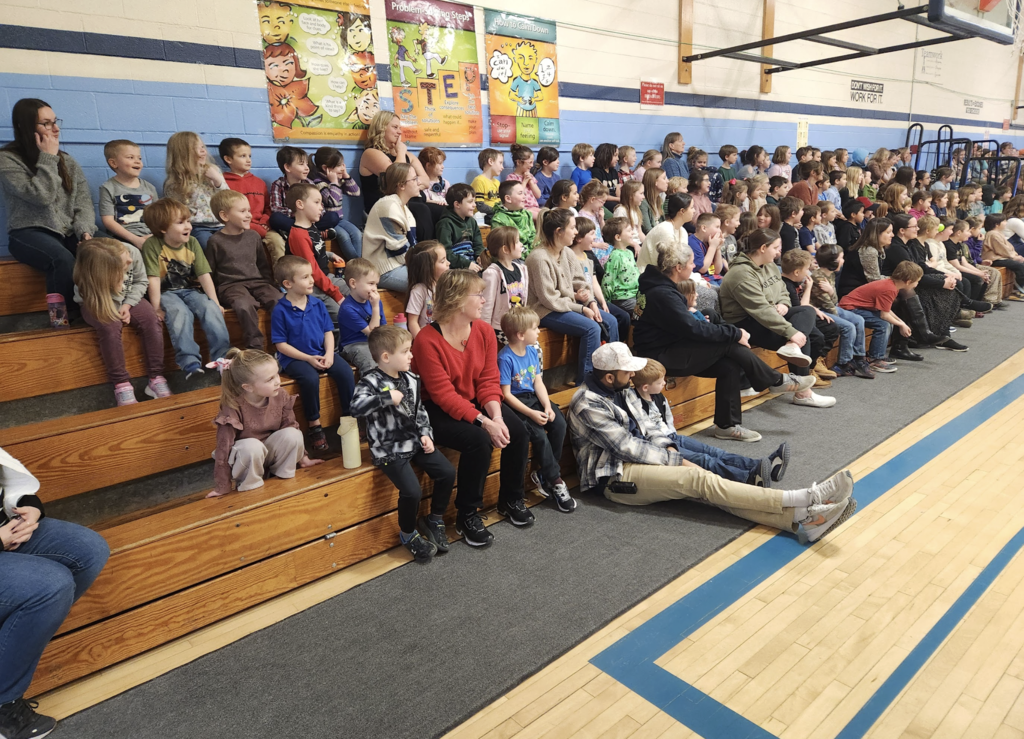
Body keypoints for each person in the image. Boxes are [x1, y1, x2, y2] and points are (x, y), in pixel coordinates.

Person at [567, 343, 856, 543]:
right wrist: (677, 460)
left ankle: (803, 520)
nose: (633, 375)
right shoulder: (588, 402)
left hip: (641, 458)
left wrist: (669, 447)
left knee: (707, 488)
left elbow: (646, 428)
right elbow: (626, 448)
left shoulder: (621, 388)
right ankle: (804, 498)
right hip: (615, 477)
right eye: (627, 371)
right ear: (608, 376)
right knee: (699, 479)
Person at [632, 239, 814, 442]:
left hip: (671, 346)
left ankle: (727, 426)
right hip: (659, 356)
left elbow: (685, 326)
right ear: (678, 268)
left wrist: (729, 331)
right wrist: (735, 333)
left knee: (728, 365)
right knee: (728, 343)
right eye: (691, 263)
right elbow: (693, 329)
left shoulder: (657, 284)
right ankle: (775, 380)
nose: (694, 267)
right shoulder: (662, 293)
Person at [411, 269, 533, 546]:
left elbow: (489, 380)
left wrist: (497, 417)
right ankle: (467, 514)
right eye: (477, 295)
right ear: (456, 299)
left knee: (518, 431)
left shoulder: (484, 330)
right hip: (435, 409)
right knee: (479, 440)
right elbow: (443, 396)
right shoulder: (426, 340)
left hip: (474, 400)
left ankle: (511, 500)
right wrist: (485, 423)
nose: (483, 300)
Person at [0, 448, 110, 739]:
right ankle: (2, 706)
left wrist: (29, 508)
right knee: (50, 585)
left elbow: (9, 480)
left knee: (89, 550)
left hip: (7, 533)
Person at [351, 325, 455, 561]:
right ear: (386, 357)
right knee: (412, 491)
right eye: (406, 351)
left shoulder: (411, 378)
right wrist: (384, 398)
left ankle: (435, 519)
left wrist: (426, 433)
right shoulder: (370, 382)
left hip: (415, 442)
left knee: (447, 472)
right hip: (389, 448)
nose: (411, 355)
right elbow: (355, 408)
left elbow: (420, 412)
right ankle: (408, 534)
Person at [0, 98, 97, 327]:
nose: (56, 128)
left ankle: (114, 309)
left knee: (109, 248)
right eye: (46, 123)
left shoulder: (68, 162)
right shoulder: (7, 159)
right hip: (28, 232)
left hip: (68, 230)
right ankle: (62, 321)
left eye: (55, 121)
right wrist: (49, 158)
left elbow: (83, 203)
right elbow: (41, 196)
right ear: (27, 127)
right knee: (62, 259)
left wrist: (85, 233)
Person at [719, 228, 837, 408]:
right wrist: (791, 332)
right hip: (745, 323)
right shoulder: (740, 273)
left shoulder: (770, 265)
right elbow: (760, 310)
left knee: (807, 312)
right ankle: (803, 392)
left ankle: (793, 352)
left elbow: (782, 291)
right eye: (776, 247)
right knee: (801, 335)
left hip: (770, 314)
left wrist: (784, 304)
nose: (779, 251)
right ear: (763, 248)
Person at [627, 359, 789, 485]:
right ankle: (747, 477)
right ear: (646, 387)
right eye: (659, 382)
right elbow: (646, 432)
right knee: (704, 459)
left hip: (673, 436)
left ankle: (761, 466)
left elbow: (667, 417)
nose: (664, 383)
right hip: (661, 444)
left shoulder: (658, 395)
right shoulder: (633, 403)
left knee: (715, 452)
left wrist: (673, 433)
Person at [208, 348, 319, 499]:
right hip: (247, 456)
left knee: (293, 434)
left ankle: (282, 479)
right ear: (248, 387)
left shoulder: (280, 395)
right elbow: (223, 447)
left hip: (269, 451)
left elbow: (290, 425)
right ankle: (250, 487)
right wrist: (222, 486)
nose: (278, 381)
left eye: (277, 374)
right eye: (269, 379)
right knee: (252, 447)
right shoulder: (232, 405)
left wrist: (304, 459)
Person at [271, 256, 356, 453]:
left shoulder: (317, 304)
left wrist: (329, 354)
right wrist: (308, 358)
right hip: (294, 358)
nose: (312, 280)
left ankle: (350, 419)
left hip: (321, 352)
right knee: (309, 379)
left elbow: (328, 332)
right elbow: (281, 345)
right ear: (288, 284)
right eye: (305, 277)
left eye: (311, 275)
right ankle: (314, 425)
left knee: (345, 372)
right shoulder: (280, 310)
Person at [142, 198, 231, 380]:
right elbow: (153, 279)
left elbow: (204, 274)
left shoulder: (192, 242)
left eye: (188, 221)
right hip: (166, 293)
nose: (188, 227)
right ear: (163, 228)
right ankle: (189, 361)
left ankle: (222, 358)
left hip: (190, 290)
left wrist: (214, 302)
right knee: (179, 312)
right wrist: (156, 307)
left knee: (209, 308)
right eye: (181, 223)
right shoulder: (152, 245)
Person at [74, 238, 170, 406]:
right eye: (124, 264)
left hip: (129, 298)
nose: (131, 261)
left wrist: (127, 304)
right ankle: (122, 385)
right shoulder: (90, 273)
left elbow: (141, 281)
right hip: (98, 301)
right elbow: (98, 299)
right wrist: (116, 309)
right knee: (109, 326)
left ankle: (156, 378)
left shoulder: (130, 252)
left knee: (150, 319)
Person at [497, 306, 575, 512]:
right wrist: (531, 413)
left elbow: (538, 382)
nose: (539, 331)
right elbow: (506, 394)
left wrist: (548, 406)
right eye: (535, 328)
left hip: (535, 398)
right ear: (521, 334)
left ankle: (544, 474)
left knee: (558, 423)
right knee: (538, 435)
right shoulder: (505, 358)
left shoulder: (532, 351)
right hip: (517, 404)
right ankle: (555, 480)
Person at [527, 209, 618, 383]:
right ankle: (586, 384)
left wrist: (590, 301)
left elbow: (581, 282)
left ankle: (610, 374)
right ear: (558, 231)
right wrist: (582, 308)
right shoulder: (538, 258)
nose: (576, 232)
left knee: (611, 321)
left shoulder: (567, 252)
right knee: (592, 328)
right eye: (573, 227)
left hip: (566, 306)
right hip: (545, 310)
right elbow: (549, 299)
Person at [206, 189, 280, 350]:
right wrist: (215, 298)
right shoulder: (215, 241)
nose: (249, 215)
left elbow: (262, 265)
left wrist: (270, 285)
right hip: (231, 286)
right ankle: (255, 348)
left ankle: (281, 343)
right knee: (244, 305)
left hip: (257, 282)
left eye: (249, 210)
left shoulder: (253, 236)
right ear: (225, 216)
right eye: (242, 211)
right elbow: (210, 271)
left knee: (279, 300)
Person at [882, 213, 967, 352]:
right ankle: (924, 335)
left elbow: (921, 267)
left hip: (907, 282)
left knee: (943, 285)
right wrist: (941, 283)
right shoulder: (897, 248)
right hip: (899, 284)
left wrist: (945, 275)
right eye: (914, 226)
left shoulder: (909, 244)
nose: (917, 228)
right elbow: (910, 275)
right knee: (917, 292)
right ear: (902, 230)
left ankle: (940, 334)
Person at [359, 111, 434, 237]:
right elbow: (398, 176)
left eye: (400, 128)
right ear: (381, 129)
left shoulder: (406, 155)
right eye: (395, 127)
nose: (400, 132)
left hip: (411, 203)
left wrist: (410, 183)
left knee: (445, 212)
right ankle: (423, 254)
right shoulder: (371, 153)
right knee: (422, 210)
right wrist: (400, 152)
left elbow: (426, 181)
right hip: (386, 207)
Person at [839, 261, 922, 366]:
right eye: (917, 281)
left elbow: (886, 310)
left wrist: (901, 323)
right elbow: (884, 315)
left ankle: (878, 355)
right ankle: (875, 358)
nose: (917, 284)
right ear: (908, 281)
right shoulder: (889, 289)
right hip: (849, 309)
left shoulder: (892, 285)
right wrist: (901, 325)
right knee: (883, 324)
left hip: (858, 308)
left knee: (887, 323)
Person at [810, 244, 874, 379]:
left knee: (859, 320)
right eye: (841, 258)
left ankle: (858, 358)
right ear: (832, 261)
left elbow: (833, 299)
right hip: (819, 310)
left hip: (830, 306)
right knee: (848, 327)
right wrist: (839, 318)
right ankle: (843, 363)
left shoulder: (831, 274)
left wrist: (831, 291)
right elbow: (828, 304)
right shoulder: (818, 278)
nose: (843, 261)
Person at [285, 183, 347, 322]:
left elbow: (316, 249)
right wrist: (337, 295)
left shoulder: (311, 227)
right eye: (317, 202)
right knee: (340, 316)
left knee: (359, 292)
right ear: (300, 204)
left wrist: (330, 256)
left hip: (325, 278)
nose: (321, 207)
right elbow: (312, 270)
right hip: (314, 286)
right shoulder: (299, 235)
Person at [219, 137, 285, 262]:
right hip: (239, 228)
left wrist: (264, 222)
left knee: (278, 242)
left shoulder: (259, 182)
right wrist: (254, 227)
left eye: (249, 156)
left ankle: (280, 280)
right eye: (242, 156)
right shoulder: (223, 183)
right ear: (228, 159)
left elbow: (267, 207)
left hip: (263, 227)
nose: (248, 160)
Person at [163, 131, 228, 248]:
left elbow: (228, 199)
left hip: (221, 223)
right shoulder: (175, 183)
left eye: (203, 147)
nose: (203, 151)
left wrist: (218, 181)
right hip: (198, 227)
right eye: (196, 149)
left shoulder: (213, 170)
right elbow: (176, 214)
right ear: (183, 154)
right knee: (208, 244)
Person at [362, 162, 420, 292]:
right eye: (414, 179)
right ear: (401, 185)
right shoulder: (388, 206)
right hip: (383, 270)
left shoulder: (403, 207)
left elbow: (412, 246)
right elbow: (398, 251)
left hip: (399, 265)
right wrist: (422, 268)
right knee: (428, 284)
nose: (419, 182)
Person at [97, 139, 158, 250]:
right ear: (113, 163)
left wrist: (156, 235)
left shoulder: (149, 188)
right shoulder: (108, 188)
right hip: (123, 237)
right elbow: (108, 221)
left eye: (139, 158)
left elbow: (159, 217)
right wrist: (135, 240)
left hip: (151, 235)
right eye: (130, 157)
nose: (137, 161)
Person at [310, 146, 363, 261]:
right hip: (327, 222)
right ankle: (356, 262)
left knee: (357, 233)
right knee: (344, 236)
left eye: (343, 164)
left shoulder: (338, 179)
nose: (342, 168)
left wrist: (346, 176)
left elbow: (356, 192)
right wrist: (334, 183)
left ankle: (358, 263)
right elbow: (332, 202)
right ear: (325, 168)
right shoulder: (319, 183)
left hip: (340, 220)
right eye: (339, 166)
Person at [337, 257, 386, 376]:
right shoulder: (347, 309)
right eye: (371, 283)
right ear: (353, 283)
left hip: (373, 342)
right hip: (353, 345)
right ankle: (370, 391)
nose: (374, 289)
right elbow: (373, 332)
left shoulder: (375, 301)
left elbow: (383, 328)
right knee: (370, 361)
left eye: (376, 284)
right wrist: (375, 308)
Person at [481, 225, 528, 342]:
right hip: (501, 327)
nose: (521, 244)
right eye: (517, 242)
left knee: (536, 348)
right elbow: (487, 305)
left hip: (519, 323)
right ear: (505, 249)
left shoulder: (521, 269)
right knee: (523, 346)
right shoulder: (492, 273)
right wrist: (485, 332)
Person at [404, 240, 449, 338]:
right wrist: (423, 344)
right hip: (428, 341)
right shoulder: (419, 290)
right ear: (428, 267)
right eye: (443, 261)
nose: (448, 263)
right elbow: (412, 322)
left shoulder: (447, 285)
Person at [435, 183, 484, 271]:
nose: (474, 205)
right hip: (456, 267)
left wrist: (480, 256)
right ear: (457, 204)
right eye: (470, 202)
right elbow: (446, 252)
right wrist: (466, 264)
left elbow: (478, 245)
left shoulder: (472, 221)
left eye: (474, 201)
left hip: (471, 263)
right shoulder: (445, 223)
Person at [601, 218, 640, 314]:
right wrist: (606, 303)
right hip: (622, 299)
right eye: (629, 231)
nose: (632, 233)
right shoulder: (615, 256)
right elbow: (608, 281)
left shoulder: (629, 253)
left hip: (635, 294)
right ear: (618, 237)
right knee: (645, 312)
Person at [491, 180, 537, 254]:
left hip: (530, 255)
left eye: (524, 193)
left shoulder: (526, 214)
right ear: (508, 198)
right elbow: (505, 247)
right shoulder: (498, 219)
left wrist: (535, 253)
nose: (524, 197)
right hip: (512, 257)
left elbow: (533, 238)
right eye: (520, 193)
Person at [982, 214, 1024, 295]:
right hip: (995, 259)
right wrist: (1013, 257)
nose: (1006, 223)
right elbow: (1001, 249)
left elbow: (1008, 247)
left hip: (1001, 257)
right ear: (997, 224)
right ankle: (1019, 288)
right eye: (1004, 221)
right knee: (1019, 266)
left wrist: (1015, 255)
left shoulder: (998, 233)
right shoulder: (992, 234)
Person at [506, 144, 542, 214]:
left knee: (547, 214)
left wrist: (530, 181)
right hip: (522, 209)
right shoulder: (511, 178)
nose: (532, 165)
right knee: (540, 217)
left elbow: (538, 195)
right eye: (530, 162)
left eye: (532, 162)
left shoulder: (530, 176)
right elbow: (516, 195)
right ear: (519, 162)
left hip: (534, 207)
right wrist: (525, 181)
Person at [472, 148, 504, 216]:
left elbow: (499, 202)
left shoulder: (497, 182)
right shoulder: (479, 181)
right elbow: (480, 206)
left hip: (495, 214)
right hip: (483, 216)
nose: (502, 167)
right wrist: (497, 211)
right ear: (490, 161)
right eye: (500, 163)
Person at [640, 167, 668, 234]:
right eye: (664, 178)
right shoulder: (643, 203)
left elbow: (663, 223)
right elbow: (647, 229)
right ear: (655, 182)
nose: (667, 181)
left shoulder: (659, 200)